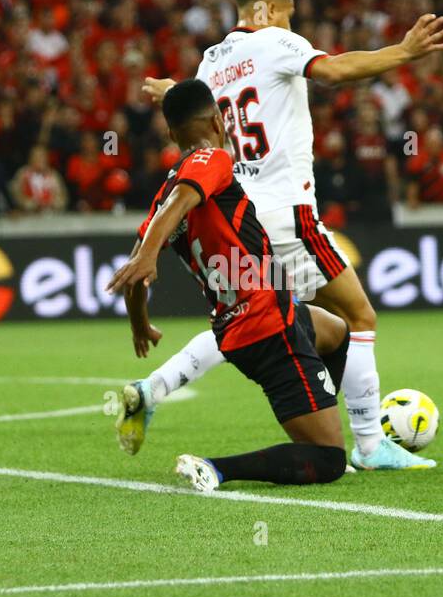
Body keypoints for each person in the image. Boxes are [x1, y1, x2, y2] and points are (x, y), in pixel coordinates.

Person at [134, 0, 443, 470]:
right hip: (288, 212)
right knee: (358, 316)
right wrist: (403, 51)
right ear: (276, 9)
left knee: (251, 315)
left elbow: (208, 107)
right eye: (291, 13)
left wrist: (173, 88)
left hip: (241, 218)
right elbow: (336, 71)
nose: (291, 22)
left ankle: (153, 388)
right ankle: (370, 446)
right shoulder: (279, 41)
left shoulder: (211, 62)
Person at [107, 80, 356, 491]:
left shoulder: (163, 198)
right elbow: (182, 203)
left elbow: (137, 268)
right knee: (327, 462)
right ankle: (216, 467)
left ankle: (319, 414)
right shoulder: (213, 160)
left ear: (171, 134)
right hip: (269, 325)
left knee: (336, 332)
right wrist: (149, 255)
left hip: (240, 326)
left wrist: (139, 322)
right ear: (220, 121)